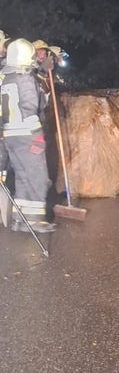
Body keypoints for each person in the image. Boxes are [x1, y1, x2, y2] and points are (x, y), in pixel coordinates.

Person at [0, 38, 55, 233]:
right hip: (28, 133)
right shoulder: (25, 78)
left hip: (10, 135)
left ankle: (19, 218)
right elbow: (36, 106)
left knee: (22, 176)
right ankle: (34, 220)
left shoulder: (7, 78)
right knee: (37, 176)